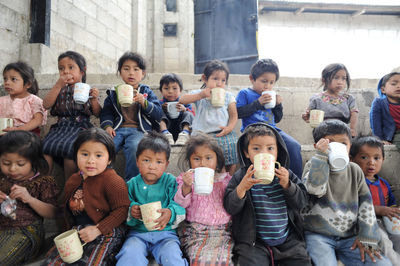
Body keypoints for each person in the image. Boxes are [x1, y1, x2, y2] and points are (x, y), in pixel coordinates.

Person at [302, 120, 391, 266]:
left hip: (349, 236)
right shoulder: (313, 165)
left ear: (350, 146)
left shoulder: (355, 170)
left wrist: (367, 235)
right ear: (317, 146)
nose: (337, 147)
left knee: (382, 264)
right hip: (318, 234)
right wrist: (321, 158)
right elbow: (314, 189)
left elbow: (366, 203)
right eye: (329, 143)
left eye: (343, 144)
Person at [223, 122, 311, 266]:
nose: (264, 153)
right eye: (256, 149)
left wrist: (288, 186)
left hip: (287, 239)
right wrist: (242, 189)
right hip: (254, 242)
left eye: (270, 148)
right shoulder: (241, 177)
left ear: (278, 151)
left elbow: (302, 202)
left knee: (302, 260)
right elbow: (230, 207)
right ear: (246, 152)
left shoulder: (285, 174)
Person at [44, 127, 130, 265]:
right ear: (76, 155)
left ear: (109, 159)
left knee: (92, 262)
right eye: (84, 154)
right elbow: (64, 211)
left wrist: (97, 229)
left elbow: (123, 209)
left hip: (107, 231)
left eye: (98, 155)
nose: (90, 161)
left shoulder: (112, 181)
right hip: (79, 231)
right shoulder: (73, 180)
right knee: (54, 262)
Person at [116, 131, 187, 266]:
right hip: (137, 235)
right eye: (146, 160)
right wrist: (132, 210)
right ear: (137, 161)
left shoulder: (170, 182)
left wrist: (170, 213)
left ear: (166, 165)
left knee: (172, 258)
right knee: (129, 255)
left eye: (159, 162)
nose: (152, 166)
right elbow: (122, 206)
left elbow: (179, 203)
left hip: (166, 235)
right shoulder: (131, 184)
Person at [100, 52, 163, 181]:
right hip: (117, 130)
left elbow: (158, 113)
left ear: (143, 73)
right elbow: (106, 112)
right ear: (120, 72)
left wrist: (144, 102)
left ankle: (132, 184)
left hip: (139, 131)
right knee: (105, 147)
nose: (131, 73)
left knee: (135, 147)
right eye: (126, 69)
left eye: (136, 69)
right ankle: (103, 181)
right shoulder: (114, 92)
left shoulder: (146, 92)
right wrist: (107, 126)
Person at [236, 58, 303, 177]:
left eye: (272, 83)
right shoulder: (245, 93)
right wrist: (257, 103)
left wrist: (278, 105)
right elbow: (238, 113)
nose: (267, 86)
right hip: (252, 130)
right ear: (252, 78)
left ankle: (296, 181)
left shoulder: (272, 96)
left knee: (294, 146)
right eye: (264, 81)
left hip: (272, 130)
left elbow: (277, 119)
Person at [0, 131, 58, 265]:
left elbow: (53, 212)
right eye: (6, 163)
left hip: (25, 232)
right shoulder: (3, 179)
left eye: (20, 164)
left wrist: (30, 199)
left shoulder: (43, 183)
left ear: (34, 162)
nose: (12, 169)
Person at [174, 133, 233, 265]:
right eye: (197, 159)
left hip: (222, 232)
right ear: (189, 160)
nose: (203, 163)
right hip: (195, 232)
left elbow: (233, 204)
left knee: (223, 260)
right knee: (199, 260)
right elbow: (179, 205)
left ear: (217, 160)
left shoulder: (226, 181)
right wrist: (186, 187)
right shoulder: (185, 179)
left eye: (208, 158)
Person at [42, 51, 101, 181]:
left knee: (71, 149)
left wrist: (94, 99)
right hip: (60, 127)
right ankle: (44, 184)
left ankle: (69, 187)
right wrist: (58, 85)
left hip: (80, 126)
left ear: (82, 71)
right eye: (61, 68)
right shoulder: (59, 89)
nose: (65, 71)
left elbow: (97, 113)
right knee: (45, 147)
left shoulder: (87, 89)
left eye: (71, 67)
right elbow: (45, 105)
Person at [179, 60, 238, 176]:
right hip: (202, 134)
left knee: (232, 144)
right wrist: (200, 95)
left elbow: (233, 115)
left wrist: (229, 128)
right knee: (206, 148)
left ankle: (229, 178)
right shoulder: (200, 94)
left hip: (221, 132)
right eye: (215, 79)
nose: (219, 83)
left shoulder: (228, 96)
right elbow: (182, 99)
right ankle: (212, 176)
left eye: (223, 80)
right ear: (205, 79)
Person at [350, 136, 400, 264]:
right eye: (364, 157)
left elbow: (391, 205)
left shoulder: (384, 184)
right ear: (352, 159)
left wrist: (394, 211)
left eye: (376, 158)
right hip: (366, 224)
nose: (371, 162)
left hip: (385, 222)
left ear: (383, 159)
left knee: (397, 237)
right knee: (384, 242)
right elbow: (353, 206)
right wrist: (379, 210)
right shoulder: (353, 182)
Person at [302, 63, 359, 137]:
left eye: (343, 78)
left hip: (343, 132)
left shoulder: (349, 98)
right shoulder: (316, 99)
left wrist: (352, 129)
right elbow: (309, 117)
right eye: (336, 77)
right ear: (324, 80)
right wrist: (306, 117)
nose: (340, 82)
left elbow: (354, 113)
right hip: (323, 132)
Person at [0, 61, 47, 136]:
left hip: (27, 135)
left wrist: (18, 130)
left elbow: (38, 120)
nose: (7, 82)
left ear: (28, 84)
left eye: (13, 79)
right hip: (4, 134)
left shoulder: (33, 100)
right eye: (5, 79)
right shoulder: (2, 101)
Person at [159, 73, 194, 146]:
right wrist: (161, 108)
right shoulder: (160, 103)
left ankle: (185, 134)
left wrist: (184, 109)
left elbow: (193, 115)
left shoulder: (185, 101)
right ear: (161, 91)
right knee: (157, 112)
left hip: (181, 128)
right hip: (167, 128)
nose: (170, 91)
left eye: (174, 88)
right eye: (166, 88)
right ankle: (165, 133)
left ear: (180, 90)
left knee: (188, 113)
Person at [370, 72, 400, 149]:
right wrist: (379, 139)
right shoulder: (379, 102)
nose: (399, 86)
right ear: (383, 89)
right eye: (394, 84)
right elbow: (375, 123)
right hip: (394, 134)